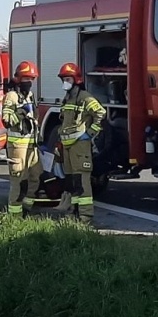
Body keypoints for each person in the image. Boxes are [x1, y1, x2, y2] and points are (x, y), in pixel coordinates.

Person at [56, 61, 106, 225]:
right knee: (72, 181)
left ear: (76, 80)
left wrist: (90, 133)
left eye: (68, 79)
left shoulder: (84, 97)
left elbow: (100, 113)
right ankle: (73, 213)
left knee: (82, 181)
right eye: (63, 79)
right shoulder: (67, 99)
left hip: (80, 146)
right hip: (68, 147)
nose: (65, 83)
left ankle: (85, 216)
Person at [3, 61, 42, 216]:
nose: (29, 82)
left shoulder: (30, 96)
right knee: (19, 180)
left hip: (32, 145)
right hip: (17, 146)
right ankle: (15, 216)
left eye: (31, 79)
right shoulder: (11, 96)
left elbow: (35, 117)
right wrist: (21, 113)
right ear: (18, 79)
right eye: (26, 78)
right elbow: (6, 121)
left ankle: (27, 209)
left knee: (35, 177)